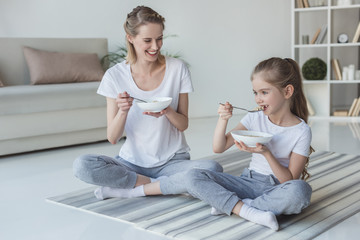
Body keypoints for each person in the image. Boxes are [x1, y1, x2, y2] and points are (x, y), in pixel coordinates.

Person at [73, 6, 222, 200]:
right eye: (147, 40)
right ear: (130, 38)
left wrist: (167, 111)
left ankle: (133, 189)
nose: (155, 46)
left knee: (213, 169)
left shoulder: (177, 69)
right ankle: (154, 185)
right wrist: (123, 111)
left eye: (159, 38)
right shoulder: (114, 76)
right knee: (82, 165)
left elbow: (183, 124)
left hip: (173, 162)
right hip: (131, 164)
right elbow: (112, 137)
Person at [183, 57, 313, 231]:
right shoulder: (253, 118)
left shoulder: (301, 131)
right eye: (255, 93)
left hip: (276, 189)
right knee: (192, 176)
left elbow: (288, 180)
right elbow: (219, 147)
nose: (258, 99)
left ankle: (235, 205)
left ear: (287, 92)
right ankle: (250, 211)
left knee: (301, 191)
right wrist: (223, 119)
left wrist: (266, 153)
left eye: (264, 92)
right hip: (246, 183)